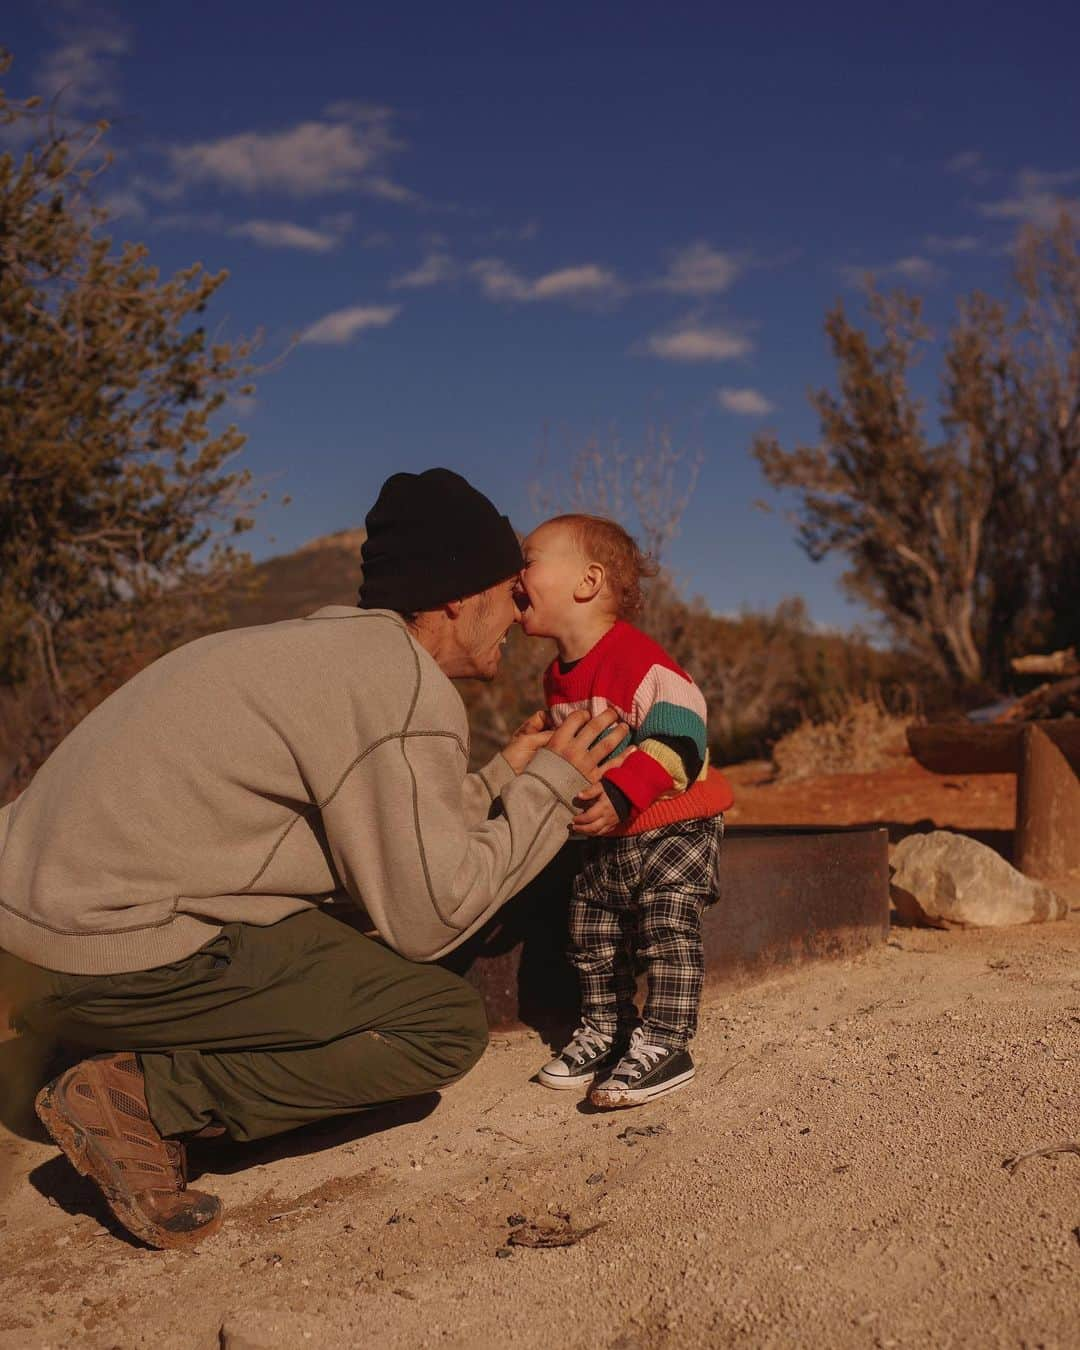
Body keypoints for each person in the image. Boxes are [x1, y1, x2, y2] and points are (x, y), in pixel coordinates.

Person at [0, 469, 626, 1250]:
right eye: (510, 589)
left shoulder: (325, 652)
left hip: (26, 941)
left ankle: (73, 1038)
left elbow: (383, 838)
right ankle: (143, 1094)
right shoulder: (400, 686)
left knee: (326, 931)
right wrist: (558, 783)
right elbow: (431, 917)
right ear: (459, 596)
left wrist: (506, 779)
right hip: (106, 951)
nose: (521, 608)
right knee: (436, 1024)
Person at [517, 514, 732, 1108]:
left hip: (675, 818)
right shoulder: (556, 679)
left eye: (529, 560)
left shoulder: (636, 659)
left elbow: (683, 731)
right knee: (593, 929)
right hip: (613, 831)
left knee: (666, 922)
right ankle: (607, 1027)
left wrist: (622, 791)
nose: (517, 574)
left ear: (587, 582)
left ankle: (666, 1040)